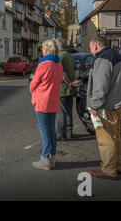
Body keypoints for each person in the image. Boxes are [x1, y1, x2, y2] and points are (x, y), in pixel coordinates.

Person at [87, 37, 121, 179]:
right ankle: (118, 164)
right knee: (115, 136)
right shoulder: (117, 55)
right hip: (118, 102)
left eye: (91, 48)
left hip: (108, 105)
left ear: (96, 47)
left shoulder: (103, 58)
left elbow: (100, 85)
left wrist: (95, 105)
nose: (91, 51)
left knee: (106, 138)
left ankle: (109, 169)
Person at [29, 39, 64, 170]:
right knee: (51, 130)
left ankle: (45, 158)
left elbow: (34, 83)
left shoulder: (44, 64)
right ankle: (52, 157)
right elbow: (60, 80)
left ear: (47, 49)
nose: (42, 51)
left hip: (42, 101)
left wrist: (32, 90)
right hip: (53, 100)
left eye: (43, 49)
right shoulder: (58, 64)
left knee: (44, 131)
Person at [56, 38, 79, 140]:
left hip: (62, 88)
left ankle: (61, 134)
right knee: (69, 110)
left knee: (61, 111)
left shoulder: (59, 56)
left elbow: (62, 74)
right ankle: (70, 132)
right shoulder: (70, 55)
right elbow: (76, 71)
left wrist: (68, 82)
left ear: (58, 46)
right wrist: (74, 82)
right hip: (71, 89)